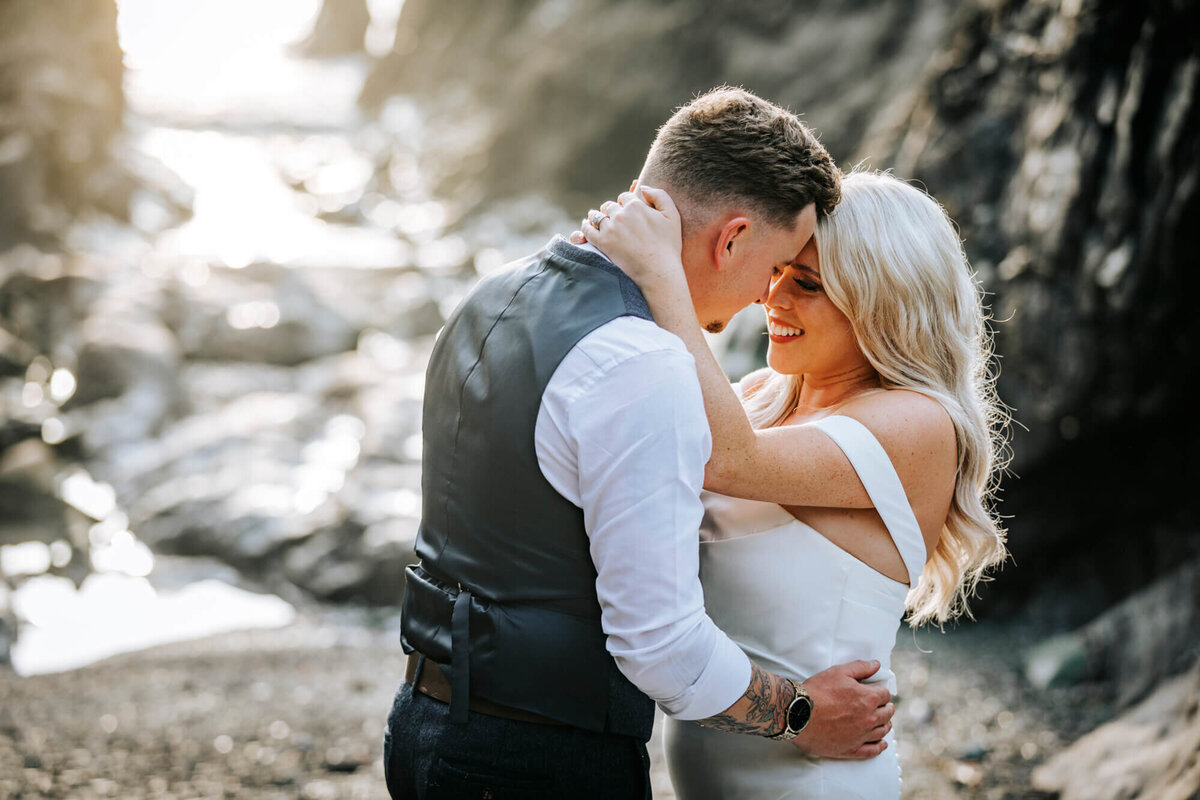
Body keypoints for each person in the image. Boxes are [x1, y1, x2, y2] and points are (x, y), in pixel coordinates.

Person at [384, 88, 896, 800]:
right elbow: (659, 644)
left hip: (421, 727)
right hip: (536, 765)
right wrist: (802, 713)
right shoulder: (641, 366)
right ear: (733, 238)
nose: (762, 297)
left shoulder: (491, 296)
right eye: (772, 268)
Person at [575, 169, 1009, 799]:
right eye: (775, 271)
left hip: (816, 780)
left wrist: (660, 273)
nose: (771, 299)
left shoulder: (917, 423)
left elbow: (725, 461)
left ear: (881, 299)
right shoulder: (755, 399)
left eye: (804, 284)